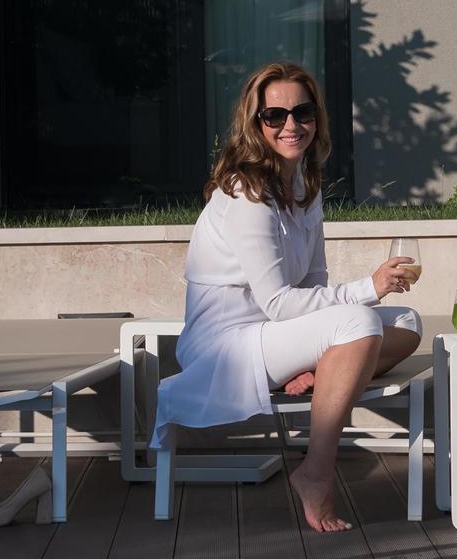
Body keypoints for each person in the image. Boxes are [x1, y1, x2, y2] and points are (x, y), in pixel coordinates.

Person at [152, 61, 421, 534]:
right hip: (227, 345)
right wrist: (368, 288)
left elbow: (313, 282)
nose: (290, 125)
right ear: (254, 125)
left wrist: (358, 303)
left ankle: (322, 367)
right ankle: (315, 472)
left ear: (317, 118)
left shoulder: (305, 186)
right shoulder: (245, 193)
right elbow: (279, 301)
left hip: (275, 332)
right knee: (360, 322)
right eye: (274, 116)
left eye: (302, 112)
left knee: (408, 322)